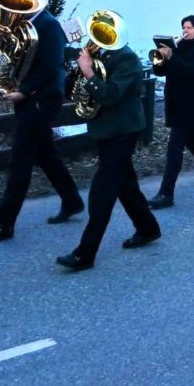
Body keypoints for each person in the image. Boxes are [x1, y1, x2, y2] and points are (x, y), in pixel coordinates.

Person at [0, 1, 85, 244]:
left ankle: (4, 222)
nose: (12, 5)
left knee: (20, 159)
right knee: (45, 153)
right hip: (28, 97)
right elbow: (4, 50)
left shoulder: (49, 25)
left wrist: (24, 91)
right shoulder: (21, 24)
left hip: (41, 98)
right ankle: (72, 200)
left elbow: (50, 65)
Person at [56, 23, 160, 271]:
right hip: (105, 130)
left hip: (123, 130)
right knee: (126, 185)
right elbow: (69, 90)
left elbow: (111, 95)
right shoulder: (97, 55)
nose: (97, 38)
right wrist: (79, 69)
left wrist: (89, 73)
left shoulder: (127, 59)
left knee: (102, 192)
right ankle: (148, 228)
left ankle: (85, 253)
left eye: (102, 34)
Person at [148, 15, 194, 209]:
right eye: (183, 27)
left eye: (189, 27)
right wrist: (161, 59)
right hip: (175, 101)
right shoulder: (177, 47)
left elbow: (193, 72)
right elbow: (160, 73)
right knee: (193, 142)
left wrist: (172, 58)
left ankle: (166, 193)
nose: (185, 31)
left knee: (175, 147)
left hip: (192, 102)